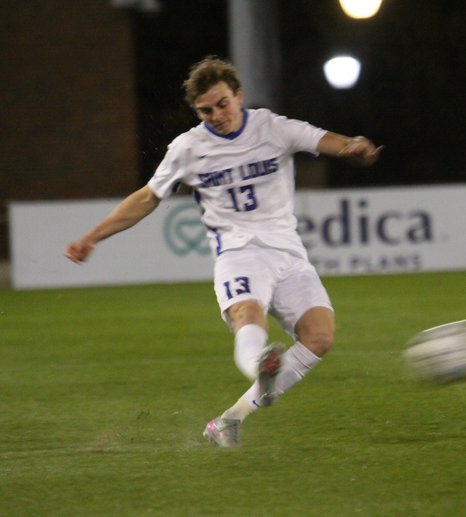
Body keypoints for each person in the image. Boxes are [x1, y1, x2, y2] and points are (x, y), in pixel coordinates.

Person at [65, 56, 382, 447]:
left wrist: (353, 147)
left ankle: (230, 420)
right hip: (238, 253)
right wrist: (93, 236)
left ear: (239, 96)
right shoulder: (188, 148)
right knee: (248, 312)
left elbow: (324, 139)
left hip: (289, 254)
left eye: (222, 104)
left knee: (320, 337)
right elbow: (148, 197)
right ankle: (259, 366)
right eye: (205, 110)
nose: (216, 114)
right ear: (196, 111)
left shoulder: (272, 127)